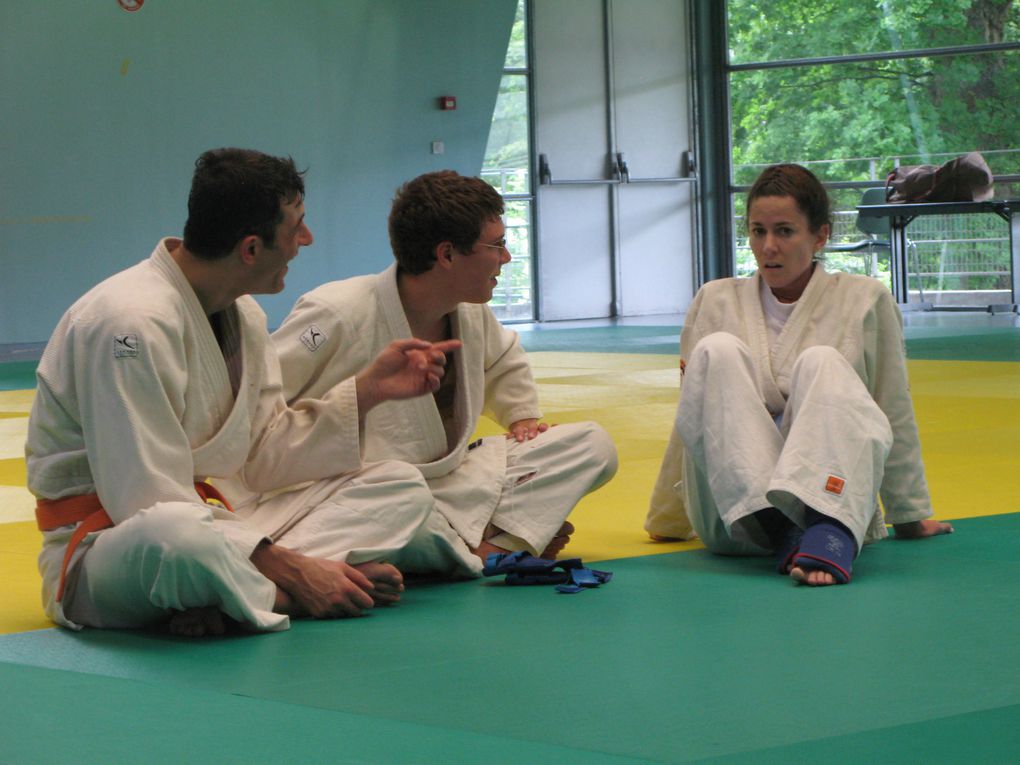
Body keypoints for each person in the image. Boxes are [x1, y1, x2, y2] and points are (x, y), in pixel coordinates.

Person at [26, 148, 460, 636]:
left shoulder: (244, 315)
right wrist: (289, 564)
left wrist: (365, 392)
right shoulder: (129, 324)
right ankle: (291, 588)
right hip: (110, 549)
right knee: (178, 538)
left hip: (219, 523)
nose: (307, 239)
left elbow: (262, 455)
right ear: (251, 249)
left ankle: (242, 591)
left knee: (396, 485)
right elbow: (145, 499)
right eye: (297, 227)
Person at [272, 170, 618, 577]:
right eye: (498, 245)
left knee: (592, 445)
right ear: (447, 254)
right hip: (361, 492)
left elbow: (502, 359)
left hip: (450, 485)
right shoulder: (335, 312)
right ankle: (491, 546)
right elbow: (264, 397)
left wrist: (522, 416)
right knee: (401, 495)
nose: (506, 257)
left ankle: (469, 545)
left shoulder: (469, 310)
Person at [644, 163, 952, 586]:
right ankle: (785, 526)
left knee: (822, 361)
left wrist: (909, 514)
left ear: (820, 235)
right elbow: (694, 417)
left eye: (785, 231)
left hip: (831, 496)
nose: (768, 246)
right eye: (757, 231)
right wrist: (668, 515)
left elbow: (890, 405)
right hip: (738, 516)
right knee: (717, 351)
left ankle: (823, 525)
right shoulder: (713, 301)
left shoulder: (864, 300)